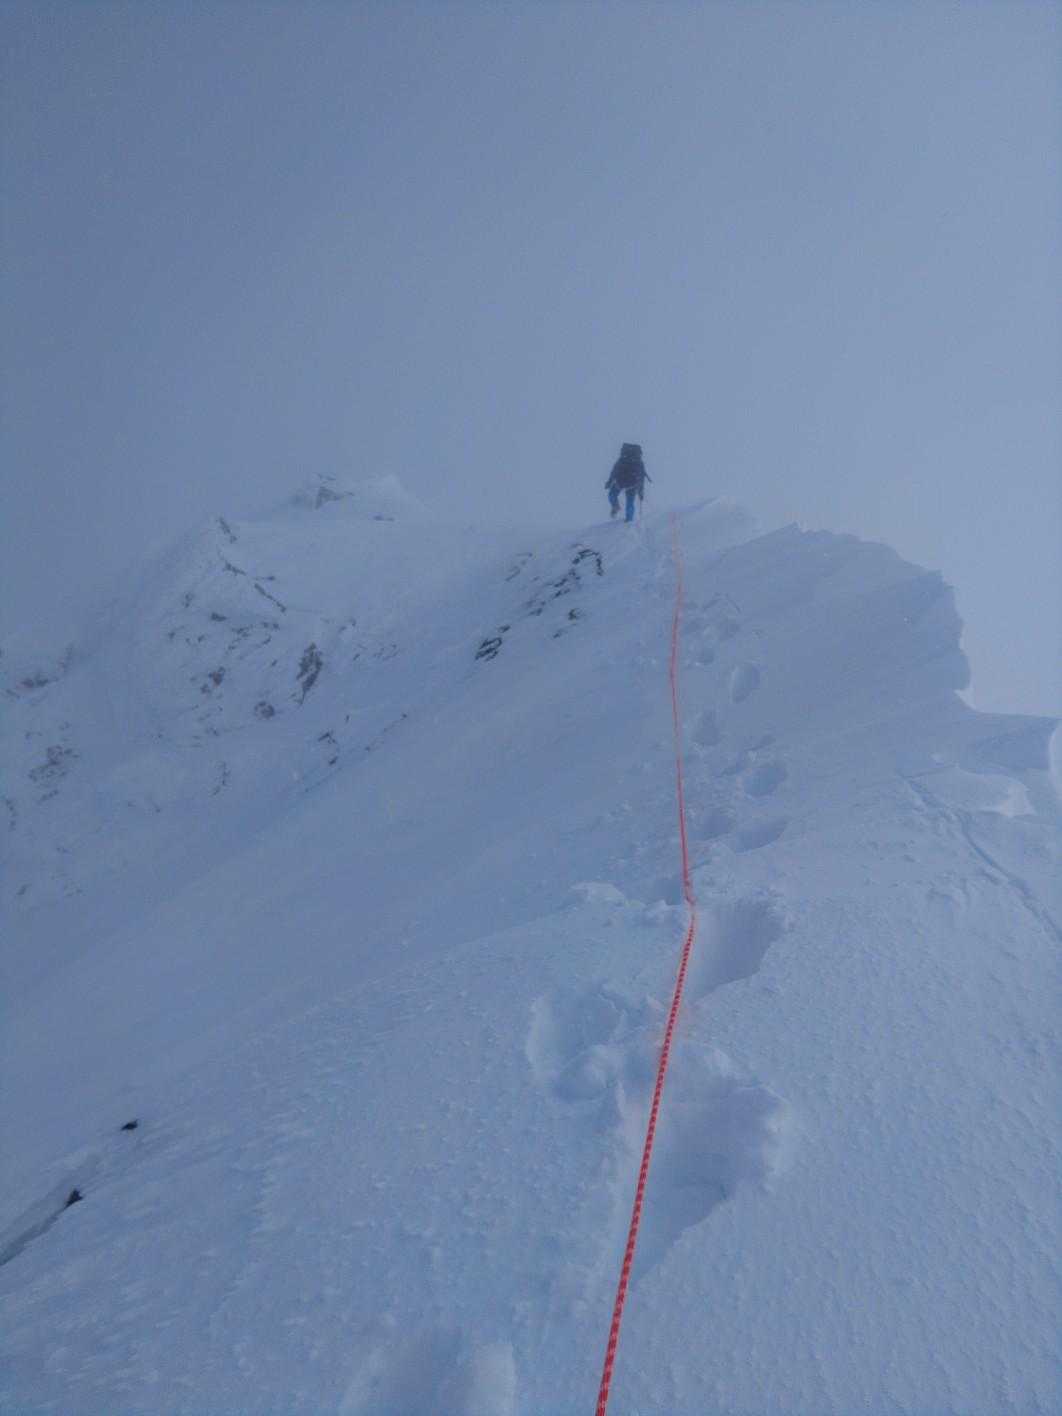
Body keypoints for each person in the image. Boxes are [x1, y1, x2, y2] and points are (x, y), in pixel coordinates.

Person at [605, 443, 650, 522]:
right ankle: (629, 520)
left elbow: (614, 471)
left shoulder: (622, 459)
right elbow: (641, 477)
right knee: (630, 502)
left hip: (619, 482)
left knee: (612, 495)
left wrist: (609, 481)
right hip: (632, 485)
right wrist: (641, 491)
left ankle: (615, 506)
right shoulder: (638, 462)